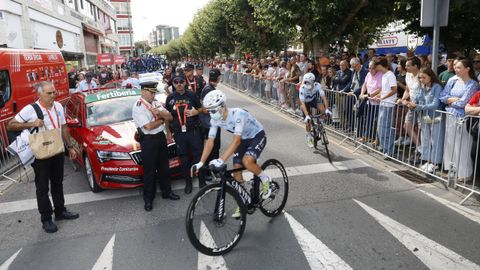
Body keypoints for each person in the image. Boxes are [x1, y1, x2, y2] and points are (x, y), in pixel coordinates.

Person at [7, 81, 79, 233]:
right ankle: (46, 218)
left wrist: (70, 147)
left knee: (57, 182)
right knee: (42, 187)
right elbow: (10, 125)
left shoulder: (58, 106)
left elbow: (64, 127)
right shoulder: (30, 109)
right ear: (39, 94)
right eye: (49, 93)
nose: (53, 95)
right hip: (40, 153)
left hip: (57, 149)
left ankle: (60, 211)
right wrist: (31, 123)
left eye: (54, 92)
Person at [192, 90, 270, 218]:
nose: (210, 114)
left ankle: (266, 179)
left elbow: (236, 140)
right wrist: (201, 162)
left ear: (222, 107)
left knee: (247, 161)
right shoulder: (215, 119)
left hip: (257, 135)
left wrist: (221, 159)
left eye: (213, 110)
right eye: (209, 110)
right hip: (244, 140)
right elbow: (210, 141)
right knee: (236, 170)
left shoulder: (238, 114)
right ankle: (243, 201)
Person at [132, 82, 179, 212]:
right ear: (143, 92)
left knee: (164, 168)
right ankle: (148, 199)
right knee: (150, 171)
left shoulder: (156, 103)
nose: (153, 95)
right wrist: (162, 119)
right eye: (151, 92)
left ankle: (167, 192)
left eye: (154, 92)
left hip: (160, 138)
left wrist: (161, 115)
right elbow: (149, 126)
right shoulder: (138, 106)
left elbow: (170, 116)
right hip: (148, 141)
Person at [439, 58, 479, 181]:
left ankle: (464, 173)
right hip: (450, 115)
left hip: (462, 118)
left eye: (459, 67)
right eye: (455, 67)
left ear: (467, 69)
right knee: (450, 144)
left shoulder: (472, 84)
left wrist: (451, 101)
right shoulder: (452, 80)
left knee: (462, 145)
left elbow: (463, 103)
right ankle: (452, 169)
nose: (455, 69)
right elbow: (442, 96)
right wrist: (453, 100)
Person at [165, 71, 205, 194]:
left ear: (184, 83)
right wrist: (168, 132)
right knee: (184, 159)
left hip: (193, 132)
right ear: (173, 84)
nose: (179, 84)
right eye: (176, 82)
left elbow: (203, 109)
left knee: (199, 157)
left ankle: (202, 181)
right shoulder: (170, 98)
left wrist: (196, 112)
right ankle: (188, 182)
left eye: (181, 82)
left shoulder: (192, 95)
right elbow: (166, 116)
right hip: (179, 133)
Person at [408, 68, 445, 173]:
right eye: (420, 78)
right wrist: (411, 103)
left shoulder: (437, 87)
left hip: (436, 116)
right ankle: (427, 160)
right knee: (425, 138)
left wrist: (418, 106)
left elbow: (435, 104)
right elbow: (416, 99)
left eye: (424, 77)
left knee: (436, 140)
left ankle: (435, 163)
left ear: (431, 76)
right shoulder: (421, 87)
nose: (421, 80)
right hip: (424, 116)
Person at [199, 68, 222, 181]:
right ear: (218, 78)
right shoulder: (209, 90)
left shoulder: (209, 88)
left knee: (214, 148)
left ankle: (213, 170)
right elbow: (205, 109)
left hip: (212, 123)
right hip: (210, 124)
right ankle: (209, 171)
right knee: (212, 148)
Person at [372, 57, 397, 158]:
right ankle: (385, 148)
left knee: (385, 128)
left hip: (389, 105)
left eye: (376, 66)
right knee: (381, 128)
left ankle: (389, 150)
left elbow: (394, 90)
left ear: (380, 65)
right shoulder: (384, 75)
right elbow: (385, 89)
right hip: (383, 104)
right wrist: (378, 96)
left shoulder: (390, 75)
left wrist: (382, 97)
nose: (375, 68)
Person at [299, 73, 330, 147]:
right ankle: (309, 137)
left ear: (313, 82)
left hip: (313, 100)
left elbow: (324, 98)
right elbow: (302, 103)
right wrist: (307, 115)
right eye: (306, 82)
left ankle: (321, 124)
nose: (307, 84)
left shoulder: (317, 85)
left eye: (309, 82)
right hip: (305, 103)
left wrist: (327, 109)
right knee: (308, 122)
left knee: (322, 108)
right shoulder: (302, 88)